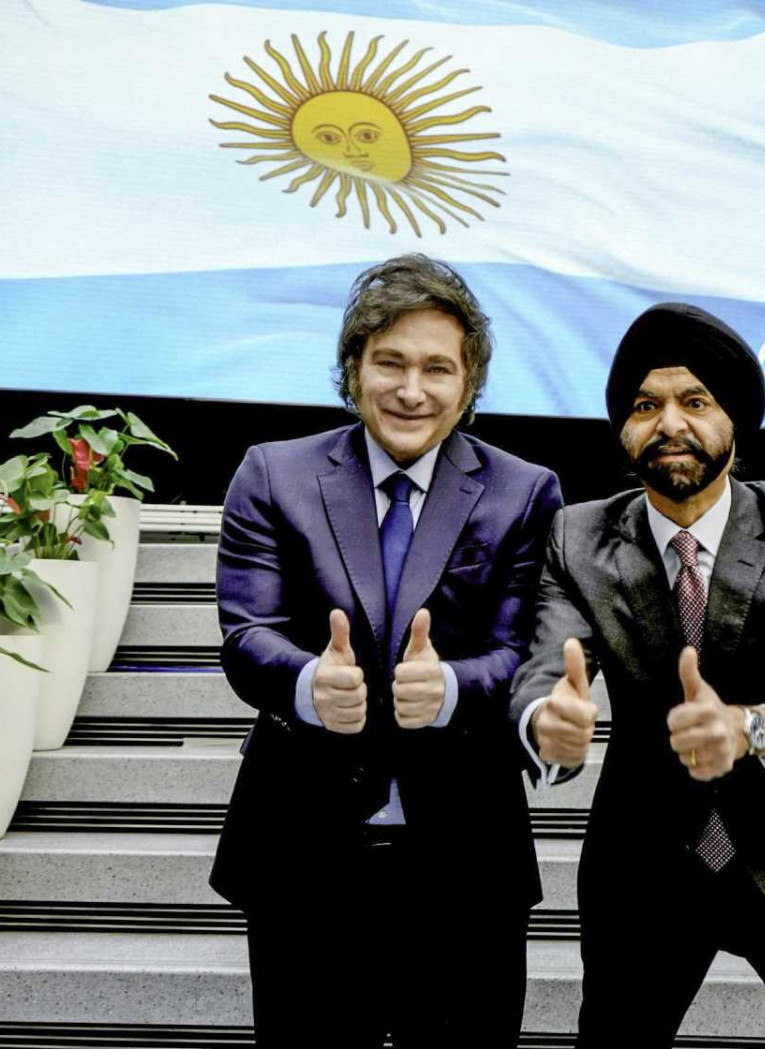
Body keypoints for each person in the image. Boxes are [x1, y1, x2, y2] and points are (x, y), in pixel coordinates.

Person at [510, 303, 765, 1047]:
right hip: (648, 860)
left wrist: (750, 729)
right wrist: (546, 719)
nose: (669, 423)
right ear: (622, 428)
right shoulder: (577, 535)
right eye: (645, 405)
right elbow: (546, 664)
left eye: (695, 401)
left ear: (734, 420)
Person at [210, 254, 563, 1047]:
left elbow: (520, 645)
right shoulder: (273, 473)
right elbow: (246, 635)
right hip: (303, 849)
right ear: (353, 369)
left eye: (438, 368)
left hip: (467, 853)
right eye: (390, 363)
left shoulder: (525, 489)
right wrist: (306, 682)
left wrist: (455, 686)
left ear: (469, 384)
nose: (412, 389)